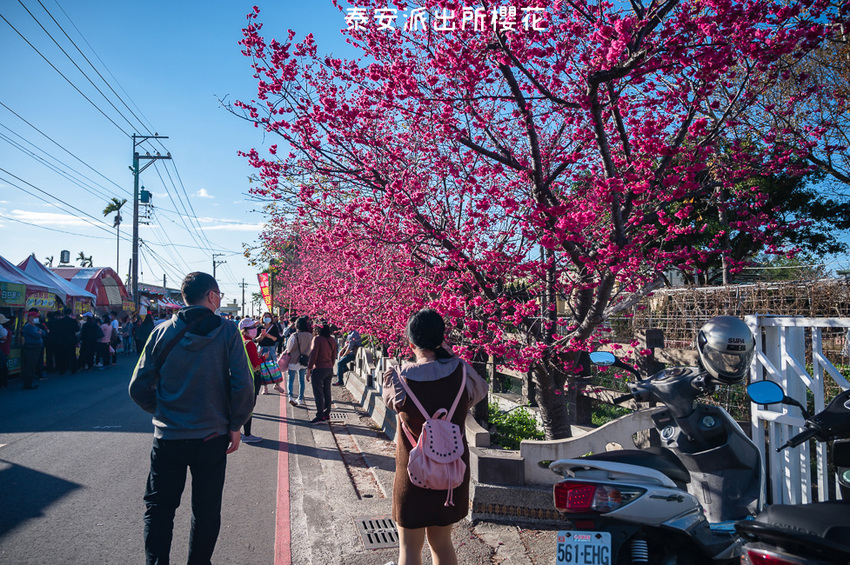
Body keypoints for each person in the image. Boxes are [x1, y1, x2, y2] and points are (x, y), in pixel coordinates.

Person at [129, 271, 255, 565]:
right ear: (211, 296)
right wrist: (235, 424)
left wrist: (163, 412)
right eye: (220, 295)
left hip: (168, 437)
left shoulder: (160, 332)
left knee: (159, 509)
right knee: (206, 510)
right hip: (211, 437)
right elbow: (244, 384)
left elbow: (137, 388)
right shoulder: (227, 332)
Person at [382, 309, 488, 565]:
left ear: (410, 343)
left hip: (412, 477)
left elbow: (390, 403)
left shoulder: (398, 378)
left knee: (409, 549)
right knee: (442, 544)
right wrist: (449, 354)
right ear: (443, 339)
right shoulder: (462, 374)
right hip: (451, 476)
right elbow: (479, 392)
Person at [238, 318, 265, 443]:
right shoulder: (250, 344)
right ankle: (247, 434)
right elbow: (255, 362)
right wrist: (263, 358)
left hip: (245, 377)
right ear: (246, 331)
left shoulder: (243, 342)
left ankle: (242, 433)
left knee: (244, 406)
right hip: (253, 377)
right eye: (252, 328)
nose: (255, 330)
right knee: (249, 408)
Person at [306, 323, 338, 424]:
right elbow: (334, 355)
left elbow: (313, 355)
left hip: (319, 369)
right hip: (329, 369)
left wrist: (309, 369)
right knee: (327, 392)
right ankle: (326, 414)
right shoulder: (332, 339)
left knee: (318, 393)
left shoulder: (317, 339)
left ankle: (320, 415)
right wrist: (331, 365)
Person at [284, 316, 312, 407]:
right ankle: (300, 399)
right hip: (304, 360)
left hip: (293, 360)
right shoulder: (310, 336)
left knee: (291, 379)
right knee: (301, 380)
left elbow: (289, 348)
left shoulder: (294, 335)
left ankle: (291, 397)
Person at [21, 309, 46, 389]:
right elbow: (37, 335)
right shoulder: (28, 327)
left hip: (36, 348)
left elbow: (44, 332)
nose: (36, 319)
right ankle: (27, 384)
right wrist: (40, 333)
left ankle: (30, 383)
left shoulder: (35, 326)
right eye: (34, 317)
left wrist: (40, 333)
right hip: (31, 348)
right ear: (30, 317)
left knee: (33, 366)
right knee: (29, 366)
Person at [256, 313, 280, 395]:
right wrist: (261, 336)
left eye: (268, 317)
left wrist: (269, 336)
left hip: (271, 348)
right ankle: (265, 387)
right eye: (265, 317)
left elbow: (276, 339)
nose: (267, 318)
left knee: (274, 366)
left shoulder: (274, 327)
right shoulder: (260, 327)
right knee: (263, 368)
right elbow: (256, 340)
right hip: (262, 348)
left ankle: (276, 384)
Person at [52, 307, 80, 374]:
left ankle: (62, 370)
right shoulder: (73, 321)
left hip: (62, 340)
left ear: (64, 313)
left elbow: (56, 330)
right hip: (71, 340)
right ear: (70, 313)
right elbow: (77, 330)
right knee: (72, 355)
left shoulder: (59, 321)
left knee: (62, 355)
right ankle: (73, 369)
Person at [0, 313, 11, 388]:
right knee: (3, 365)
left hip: (3, 348)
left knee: (2, 365)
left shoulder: (2, 328)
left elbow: (4, 338)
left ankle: (3, 382)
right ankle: (4, 382)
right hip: (5, 348)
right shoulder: (6, 329)